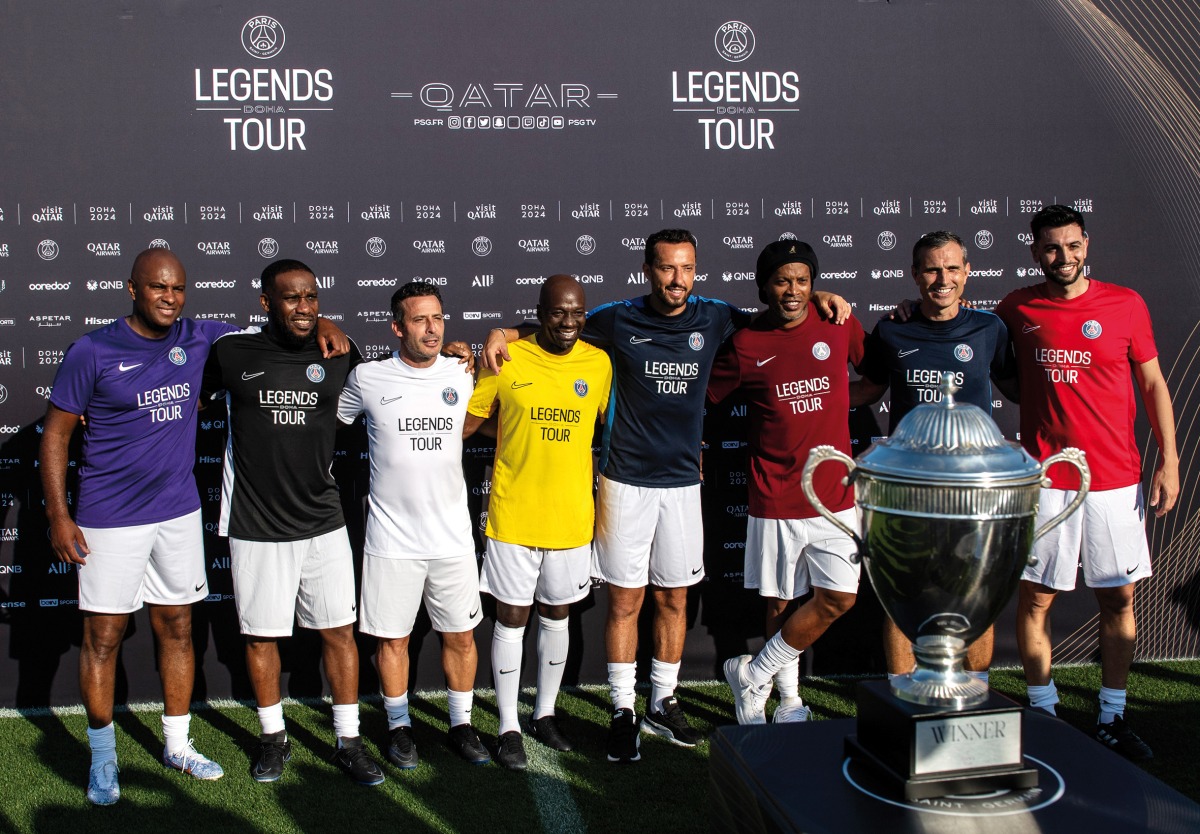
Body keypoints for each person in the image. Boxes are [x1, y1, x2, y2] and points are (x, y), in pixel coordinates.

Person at [484, 231, 849, 762]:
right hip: (624, 481)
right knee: (626, 601)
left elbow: (779, 313)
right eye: (666, 269)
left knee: (674, 597)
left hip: (682, 484)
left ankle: (663, 701)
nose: (677, 279)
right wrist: (504, 331)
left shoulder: (716, 315)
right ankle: (621, 710)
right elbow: (559, 325)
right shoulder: (616, 318)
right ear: (647, 270)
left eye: (687, 269)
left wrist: (818, 297)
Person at [41, 249, 348, 805]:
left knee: (179, 629)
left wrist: (324, 322)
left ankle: (177, 745)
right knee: (103, 638)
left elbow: (280, 326)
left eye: (178, 288)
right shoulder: (93, 350)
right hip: (107, 518)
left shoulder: (204, 337)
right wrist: (58, 515)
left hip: (180, 512)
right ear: (131, 288)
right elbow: (57, 434)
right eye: (158, 288)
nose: (170, 298)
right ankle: (104, 759)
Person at [996, 204, 1178, 761]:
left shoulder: (1125, 304)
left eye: (1073, 246)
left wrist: (1169, 459)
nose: (1064, 257)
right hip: (1047, 481)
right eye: (1052, 248)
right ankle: (1044, 711)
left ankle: (1112, 717)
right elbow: (977, 344)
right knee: (1036, 600)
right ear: (1036, 252)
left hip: (1115, 479)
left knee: (1118, 597)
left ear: (1087, 244)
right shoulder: (1016, 307)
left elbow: (1152, 382)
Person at [202, 259, 385, 786]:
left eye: (311, 298)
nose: (304, 308)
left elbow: (394, 380)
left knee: (339, 633)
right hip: (255, 522)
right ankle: (273, 737)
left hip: (323, 520)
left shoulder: (339, 352)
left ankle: (348, 740)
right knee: (261, 638)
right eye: (291, 298)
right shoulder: (232, 350)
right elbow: (173, 363)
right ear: (266, 303)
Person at [710, 240, 866, 724]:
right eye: (782, 281)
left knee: (840, 596)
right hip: (775, 493)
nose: (793, 290)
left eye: (802, 280)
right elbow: (704, 402)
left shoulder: (838, 323)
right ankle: (788, 701)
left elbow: (877, 376)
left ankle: (754, 673)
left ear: (813, 283)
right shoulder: (745, 346)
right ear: (764, 288)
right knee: (780, 600)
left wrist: (839, 401)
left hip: (836, 495)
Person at [853, 230, 1018, 686]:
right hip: (909, 490)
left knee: (975, 593)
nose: (942, 279)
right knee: (903, 593)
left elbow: (1020, 387)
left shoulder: (991, 329)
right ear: (914, 275)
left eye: (951, 268)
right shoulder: (892, 328)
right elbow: (867, 389)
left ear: (967, 273)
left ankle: (975, 693)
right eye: (931, 269)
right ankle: (901, 699)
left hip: (972, 490)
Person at [337, 281, 490, 769]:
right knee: (392, 641)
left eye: (438, 319)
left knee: (461, 637)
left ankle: (461, 725)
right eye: (420, 320)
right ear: (397, 326)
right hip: (391, 539)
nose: (432, 329)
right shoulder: (368, 378)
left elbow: (487, 416)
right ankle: (400, 728)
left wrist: (466, 354)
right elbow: (329, 423)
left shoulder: (463, 371)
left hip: (452, 539)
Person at [464, 274, 612, 770]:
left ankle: (544, 715)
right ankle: (508, 726)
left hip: (572, 519)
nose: (568, 323)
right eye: (557, 313)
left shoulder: (599, 363)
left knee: (558, 615)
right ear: (539, 312)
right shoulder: (506, 359)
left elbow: (607, 429)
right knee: (511, 620)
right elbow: (467, 424)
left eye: (577, 313)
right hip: (513, 516)